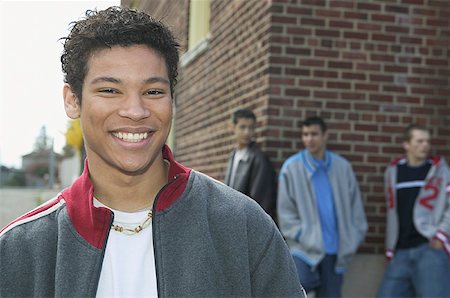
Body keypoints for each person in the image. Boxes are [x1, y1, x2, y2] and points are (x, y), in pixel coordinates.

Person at [0, 7, 305, 297]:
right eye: (110, 90)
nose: (135, 110)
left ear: (173, 100)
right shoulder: (20, 249)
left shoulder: (243, 226)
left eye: (153, 91)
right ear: (73, 100)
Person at [277, 116, 367, 298]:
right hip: (304, 249)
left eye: (314, 134)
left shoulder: (343, 168)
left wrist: (354, 237)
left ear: (325, 135)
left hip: (336, 252)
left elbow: (356, 207)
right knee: (299, 290)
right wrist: (303, 235)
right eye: (305, 134)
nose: (309, 139)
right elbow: (285, 213)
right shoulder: (291, 168)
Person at [377, 124, 450, 298]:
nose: (425, 145)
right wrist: (390, 247)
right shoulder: (393, 172)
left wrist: (441, 236)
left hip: (429, 249)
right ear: (406, 144)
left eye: (427, 141)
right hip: (400, 251)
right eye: (419, 141)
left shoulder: (439, 171)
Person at [224, 108, 277, 220]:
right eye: (242, 127)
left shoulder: (259, 159)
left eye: (251, 128)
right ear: (233, 127)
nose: (247, 132)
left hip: (247, 223)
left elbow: (261, 202)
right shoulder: (233, 156)